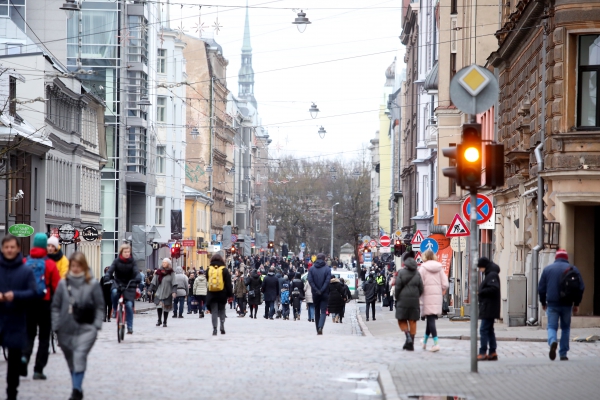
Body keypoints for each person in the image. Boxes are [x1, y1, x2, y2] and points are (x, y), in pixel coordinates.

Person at [51, 252, 103, 400]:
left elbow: (100, 306)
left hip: (87, 328)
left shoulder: (92, 284)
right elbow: (55, 306)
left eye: (78, 266)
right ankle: (77, 387)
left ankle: (75, 390)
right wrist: (56, 326)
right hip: (65, 329)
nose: (75, 269)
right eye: (72, 265)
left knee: (79, 356)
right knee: (71, 360)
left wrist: (96, 325)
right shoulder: (63, 284)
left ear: (84, 266)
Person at [0, 235, 37, 400]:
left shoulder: (26, 271)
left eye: (12, 247)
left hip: (17, 321)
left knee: (13, 362)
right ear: (2, 248)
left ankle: (11, 394)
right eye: (6, 247)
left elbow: (33, 293)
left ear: (18, 249)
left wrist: (14, 295)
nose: (9, 250)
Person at [23, 233, 60, 380]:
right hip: (45, 303)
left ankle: (24, 357)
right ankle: (38, 369)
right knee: (44, 337)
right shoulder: (50, 263)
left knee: (28, 334)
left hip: (28, 303)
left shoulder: (25, 261)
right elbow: (57, 286)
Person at [538, 249, 585, 361]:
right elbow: (581, 287)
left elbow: (541, 288)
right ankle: (563, 353)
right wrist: (576, 303)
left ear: (556, 258)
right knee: (565, 328)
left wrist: (543, 302)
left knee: (552, 326)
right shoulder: (573, 269)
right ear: (566, 258)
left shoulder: (548, 269)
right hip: (567, 304)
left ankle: (553, 341)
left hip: (553, 303)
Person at [105, 244, 140, 334]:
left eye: (128, 252)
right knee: (114, 292)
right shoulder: (117, 261)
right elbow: (110, 270)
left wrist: (138, 277)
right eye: (125, 252)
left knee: (128, 305)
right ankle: (115, 309)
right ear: (121, 252)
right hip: (118, 283)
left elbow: (136, 271)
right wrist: (107, 276)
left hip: (130, 284)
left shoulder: (132, 262)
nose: (127, 253)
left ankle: (130, 327)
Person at [419, 249, 449, 352]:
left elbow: (420, 285)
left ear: (425, 257)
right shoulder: (439, 268)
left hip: (426, 296)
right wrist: (440, 290)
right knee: (430, 319)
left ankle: (436, 344)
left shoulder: (422, 269)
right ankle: (424, 342)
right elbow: (445, 284)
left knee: (430, 319)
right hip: (437, 297)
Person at [395, 254, 423, 351]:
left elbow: (397, 286)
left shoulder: (401, 273)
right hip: (414, 300)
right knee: (412, 320)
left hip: (403, 299)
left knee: (401, 319)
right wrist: (416, 295)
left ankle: (407, 336)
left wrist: (396, 296)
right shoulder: (417, 273)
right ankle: (411, 343)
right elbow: (421, 288)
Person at [477, 257, 501, 361]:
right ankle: (492, 352)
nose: (479, 270)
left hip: (489, 307)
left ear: (484, 266)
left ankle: (483, 352)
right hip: (489, 306)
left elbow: (494, 288)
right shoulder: (490, 274)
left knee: (483, 329)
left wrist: (481, 292)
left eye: (480, 268)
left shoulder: (491, 275)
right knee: (489, 330)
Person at [205, 254, 233, 335]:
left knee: (214, 311)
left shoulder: (209, 269)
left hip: (212, 293)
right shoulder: (224, 270)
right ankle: (222, 325)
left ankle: (214, 329)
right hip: (222, 294)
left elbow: (207, 280)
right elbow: (228, 284)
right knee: (222, 310)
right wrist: (230, 295)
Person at [307, 253, 331, 335]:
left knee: (316, 311)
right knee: (323, 311)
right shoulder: (327, 269)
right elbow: (327, 281)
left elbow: (310, 280)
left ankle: (318, 328)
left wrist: (316, 290)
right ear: (324, 259)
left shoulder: (312, 269)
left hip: (315, 293)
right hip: (324, 293)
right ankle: (321, 326)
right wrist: (322, 290)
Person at [151, 258, 176, 327]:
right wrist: (150, 289)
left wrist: (174, 291)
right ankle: (159, 320)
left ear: (168, 264)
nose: (163, 263)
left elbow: (174, 283)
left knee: (166, 307)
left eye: (165, 262)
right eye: (163, 262)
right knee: (159, 306)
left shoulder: (171, 272)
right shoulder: (158, 272)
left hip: (168, 292)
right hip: (159, 291)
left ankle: (165, 321)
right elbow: (153, 281)